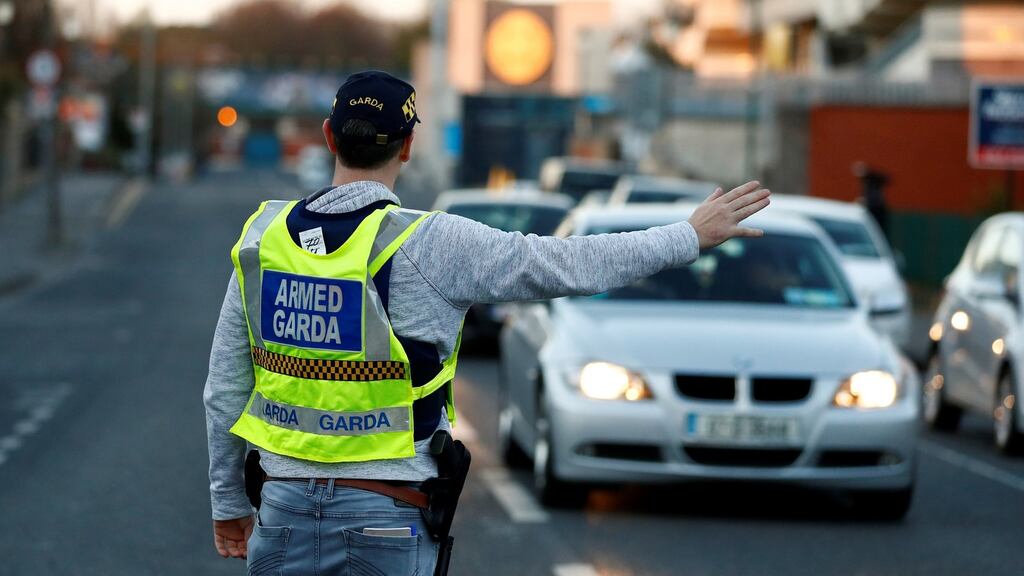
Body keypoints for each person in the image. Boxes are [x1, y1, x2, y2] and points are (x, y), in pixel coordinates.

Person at [203, 70, 771, 575]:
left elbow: (225, 392)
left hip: (280, 515)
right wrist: (689, 235)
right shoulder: (433, 242)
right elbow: (565, 265)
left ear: (329, 136)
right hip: (383, 519)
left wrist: (230, 504)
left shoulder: (264, 239)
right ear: (407, 147)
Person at [852, 161, 890, 238]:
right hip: (872, 209)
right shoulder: (866, 182)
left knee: (878, 231)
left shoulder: (873, 179)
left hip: (877, 210)